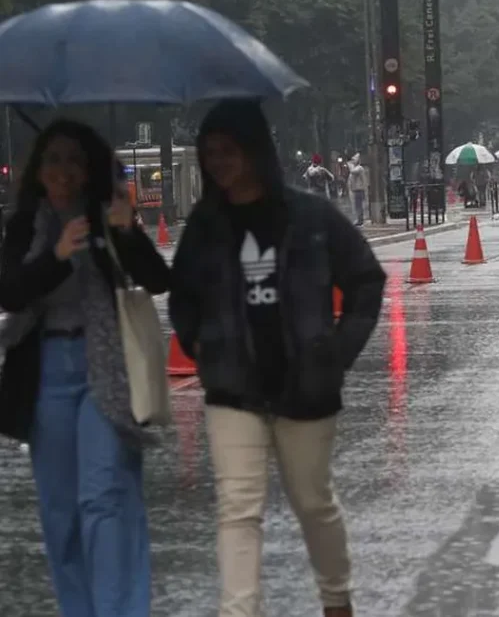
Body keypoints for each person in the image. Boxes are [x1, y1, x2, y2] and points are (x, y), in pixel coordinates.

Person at [169, 100, 387, 617]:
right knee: (239, 509)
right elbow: (182, 295)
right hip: (232, 390)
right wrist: (199, 341)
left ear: (255, 150)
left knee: (312, 503)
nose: (219, 162)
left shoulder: (311, 215)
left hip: (306, 386)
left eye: (229, 150)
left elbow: (366, 280)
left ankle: (336, 599)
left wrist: (336, 352)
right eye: (211, 153)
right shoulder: (206, 225)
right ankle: (238, 610)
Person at [0, 120, 170, 617]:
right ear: (39, 169)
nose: (63, 170)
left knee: (104, 498)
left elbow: (158, 279)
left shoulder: (106, 215)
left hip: (106, 368)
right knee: (61, 513)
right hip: (46, 370)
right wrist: (55, 256)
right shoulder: (25, 222)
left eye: (74, 159)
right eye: (53, 159)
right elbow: (9, 291)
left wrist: (125, 230)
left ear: (89, 167)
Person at [346, 153, 368, 226]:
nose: (352, 161)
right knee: (357, 206)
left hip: (359, 190)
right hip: (355, 190)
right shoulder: (356, 168)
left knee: (359, 206)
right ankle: (359, 219)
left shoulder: (359, 168)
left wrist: (349, 165)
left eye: (353, 160)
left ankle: (360, 220)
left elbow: (353, 171)